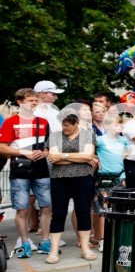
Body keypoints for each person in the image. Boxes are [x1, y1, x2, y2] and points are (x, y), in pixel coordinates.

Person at [0, 88, 53, 257]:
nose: (34, 103)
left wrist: (44, 153)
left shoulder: (43, 122)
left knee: (47, 206)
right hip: (20, 169)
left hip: (41, 169)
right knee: (21, 209)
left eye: (36, 100)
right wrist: (24, 152)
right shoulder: (10, 122)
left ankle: (45, 241)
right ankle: (24, 243)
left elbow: (50, 147)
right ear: (20, 102)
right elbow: (1, 147)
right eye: (31, 100)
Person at [45, 113, 97, 264]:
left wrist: (63, 156)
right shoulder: (55, 136)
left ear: (76, 124)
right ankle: (53, 251)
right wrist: (78, 157)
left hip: (83, 178)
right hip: (59, 179)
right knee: (58, 213)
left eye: (68, 125)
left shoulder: (88, 135)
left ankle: (85, 248)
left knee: (83, 212)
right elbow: (53, 157)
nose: (64, 128)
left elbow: (88, 156)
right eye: (63, 125)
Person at [92, 113, 129, 251]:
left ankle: (116, 237)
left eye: (120, 124)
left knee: (118, 208)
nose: (118, 127)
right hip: (105, 177)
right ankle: (103, 239)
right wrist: (96, 160)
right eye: (115, 124)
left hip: (120, 177)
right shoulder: (100, 140)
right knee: (103, 210)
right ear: (107, 126)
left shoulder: (123, 140)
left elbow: (128, 152)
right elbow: (91, 151)